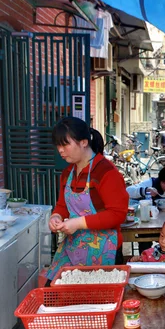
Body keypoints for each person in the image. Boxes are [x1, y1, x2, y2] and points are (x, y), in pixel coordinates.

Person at [46, 117, 129, 281]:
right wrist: (56, 217)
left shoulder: (106, 173)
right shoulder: (67, 173)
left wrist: (77, 223)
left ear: (84, 142)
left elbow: (118, 214)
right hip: (73, 246)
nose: (60, 150)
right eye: (58, 146)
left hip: (105, 250)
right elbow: (62, 205)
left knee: (98, 302)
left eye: (65, 144)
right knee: (56, 291)